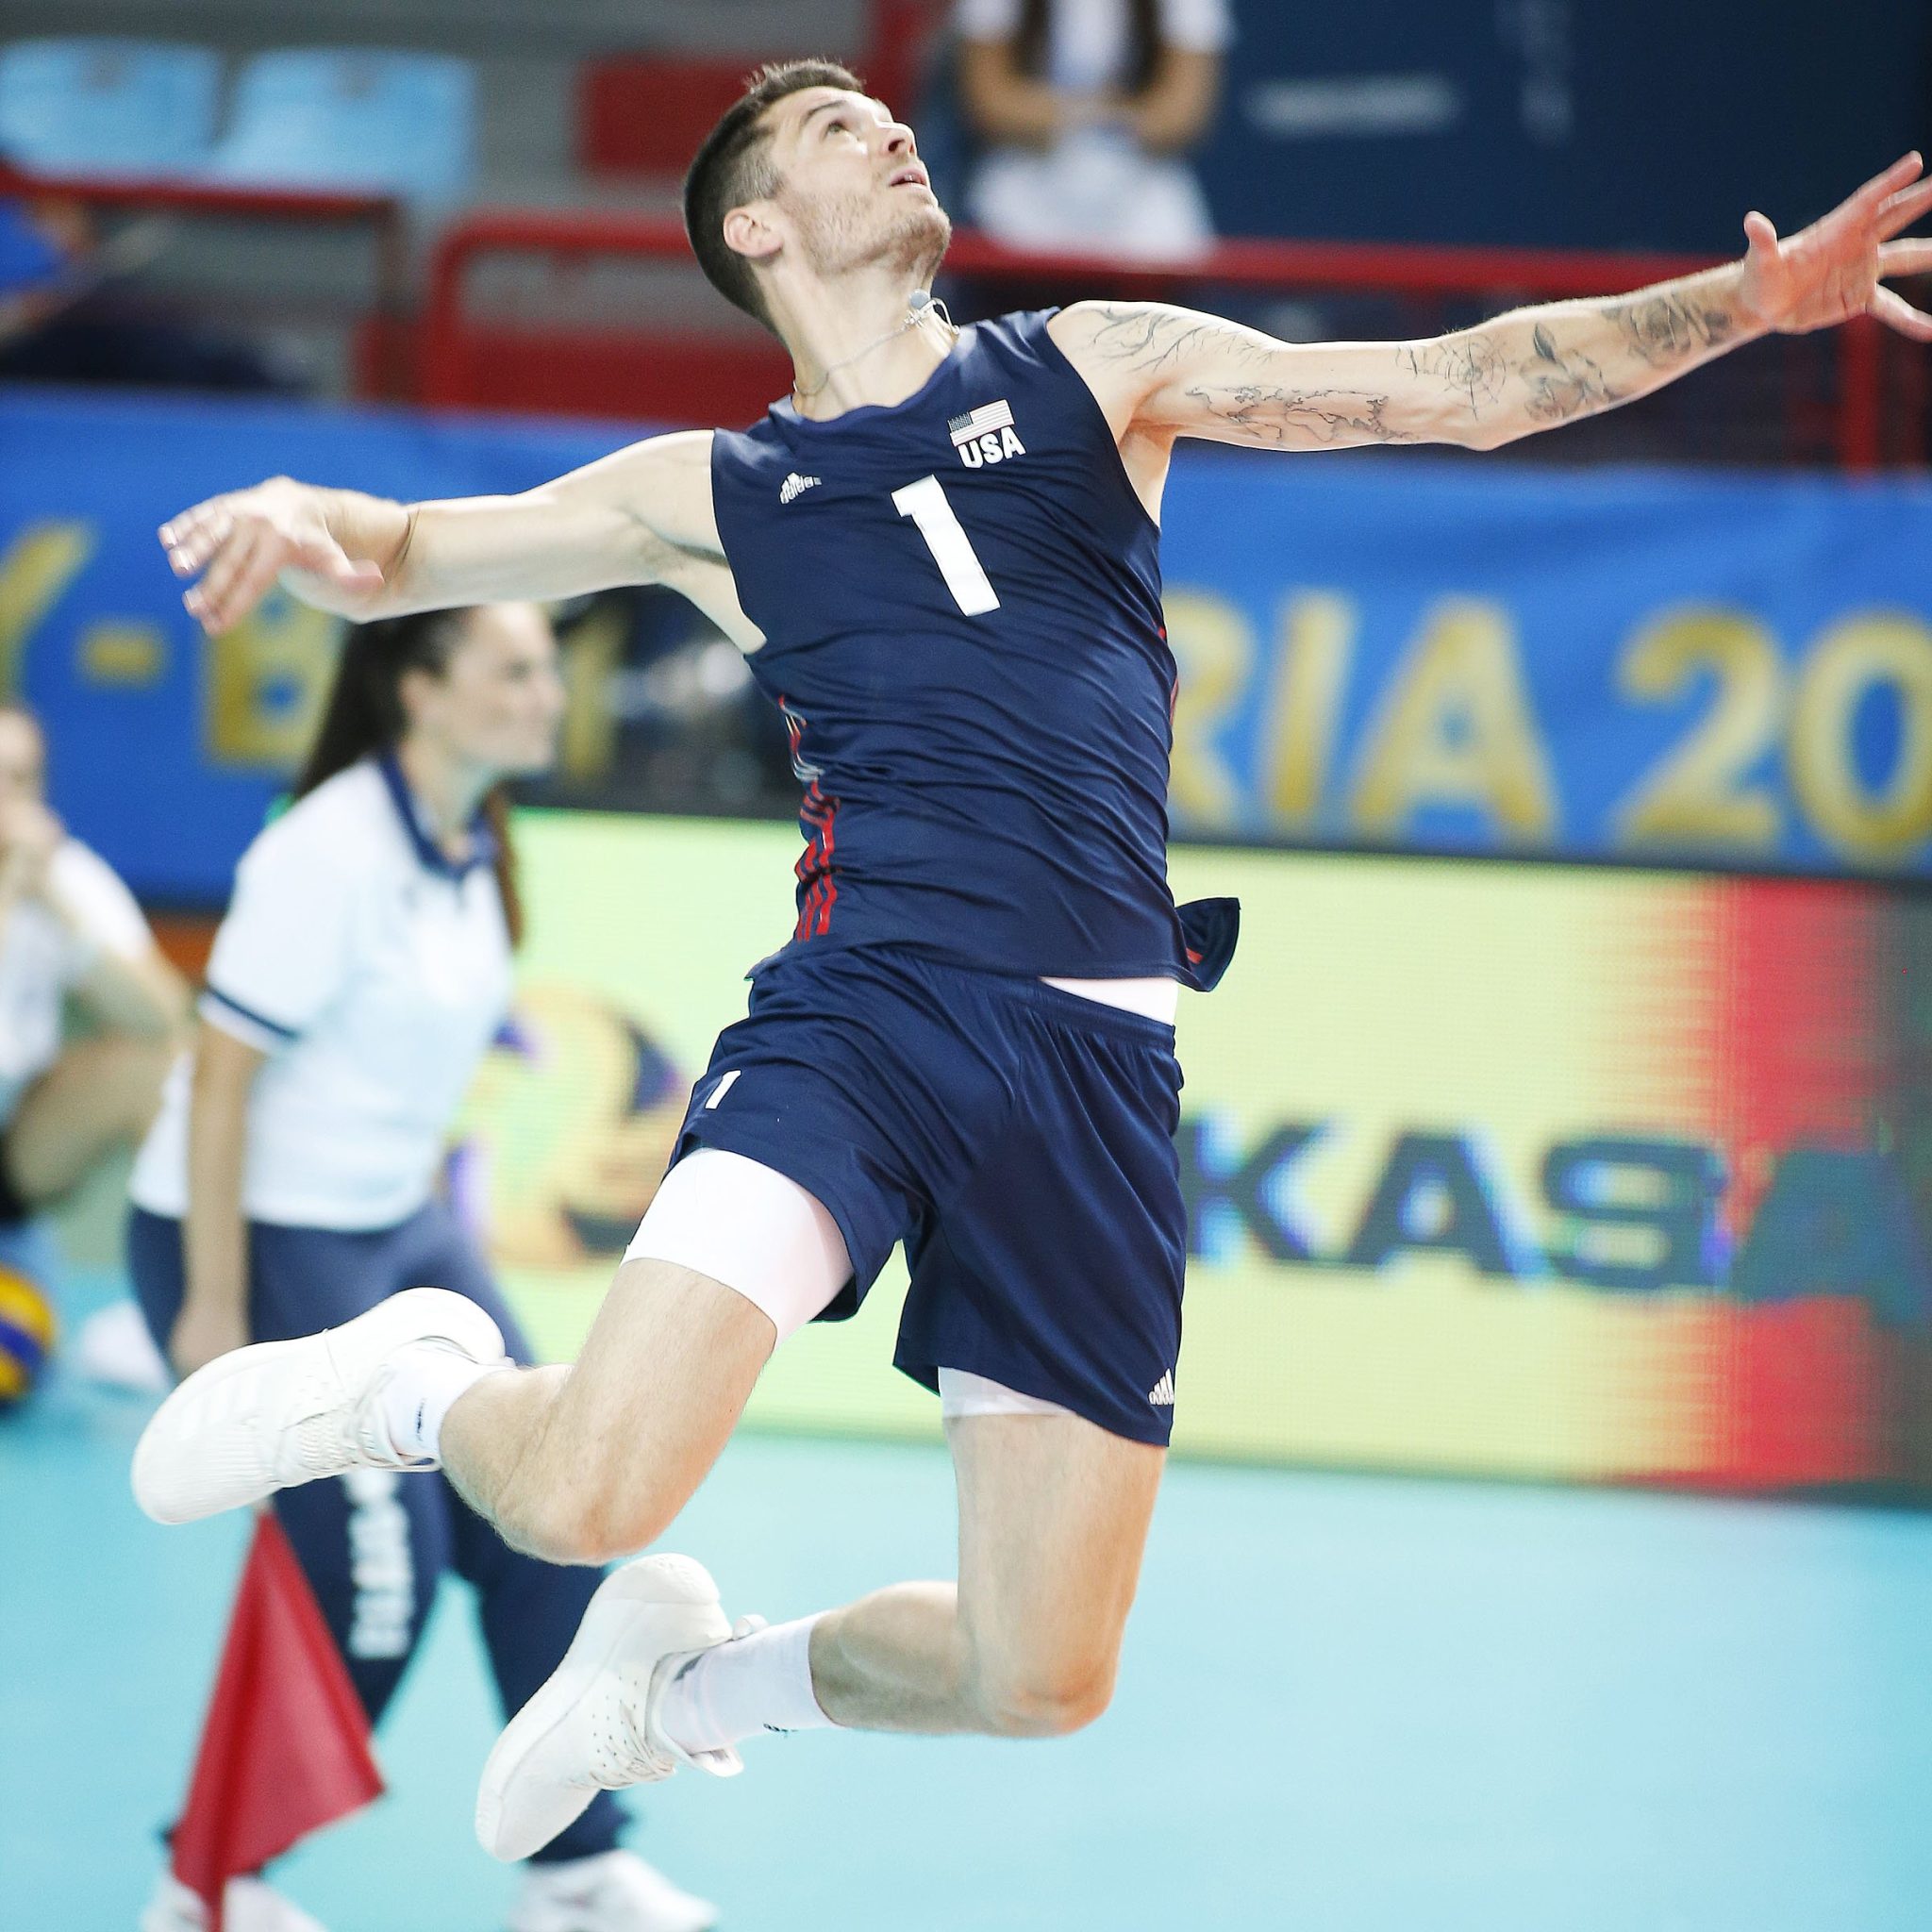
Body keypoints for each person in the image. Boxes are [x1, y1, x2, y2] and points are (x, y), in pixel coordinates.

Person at [130, 58, 1932, 1874]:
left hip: (1093, 1062)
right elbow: (407, 556)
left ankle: (681, 1688)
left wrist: (1745, 304)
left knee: (1036, 1670)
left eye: (884, 117)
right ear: (757, 226)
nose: (890, 132)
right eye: (834, 130)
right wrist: (301, 517)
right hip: (862, 1015)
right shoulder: (720, 491)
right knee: (588, 1488)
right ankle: (414, 1383)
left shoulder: (1091, 365)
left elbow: (1454, 388)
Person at [124, 608, 717, 1932]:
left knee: (556, 1507)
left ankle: (574, 1873)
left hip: (396, 1234)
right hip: (263, 1240)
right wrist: (213, 1315)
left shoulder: (473, 837)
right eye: (514, 668)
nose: (547, 691)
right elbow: (220, 1079)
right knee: (370, 1583)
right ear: (421, 689)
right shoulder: (328, 849)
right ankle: (205, 1889)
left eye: (548, 667)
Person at [0, 701, 184, 1263]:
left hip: (18, 1131)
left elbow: (165, 1015)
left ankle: (178, 1289)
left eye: (18, 779)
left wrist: (53, 904)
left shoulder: (61, 874)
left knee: (162, 1067)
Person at [955, 0, 1231, 260]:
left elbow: (1180, 115)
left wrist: (1078, 116)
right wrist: (1103, 113)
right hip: (1014, 203)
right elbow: (989, 102)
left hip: (1143, 204)